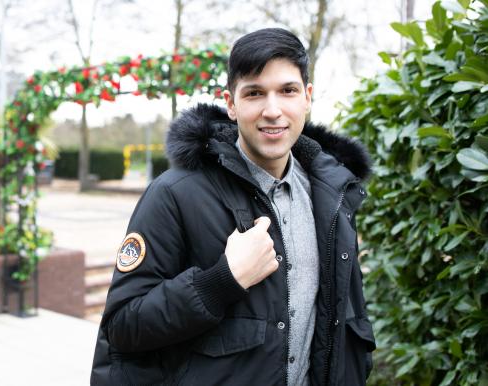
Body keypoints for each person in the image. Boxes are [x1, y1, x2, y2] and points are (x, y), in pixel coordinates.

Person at [90, 28, 376, 385]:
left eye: (287, 91)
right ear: (230, 103)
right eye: (255, 93)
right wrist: (220, 281)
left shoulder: (333, 194)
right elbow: (123, 326)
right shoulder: (174, 194)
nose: (273, 111)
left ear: (307, 97)